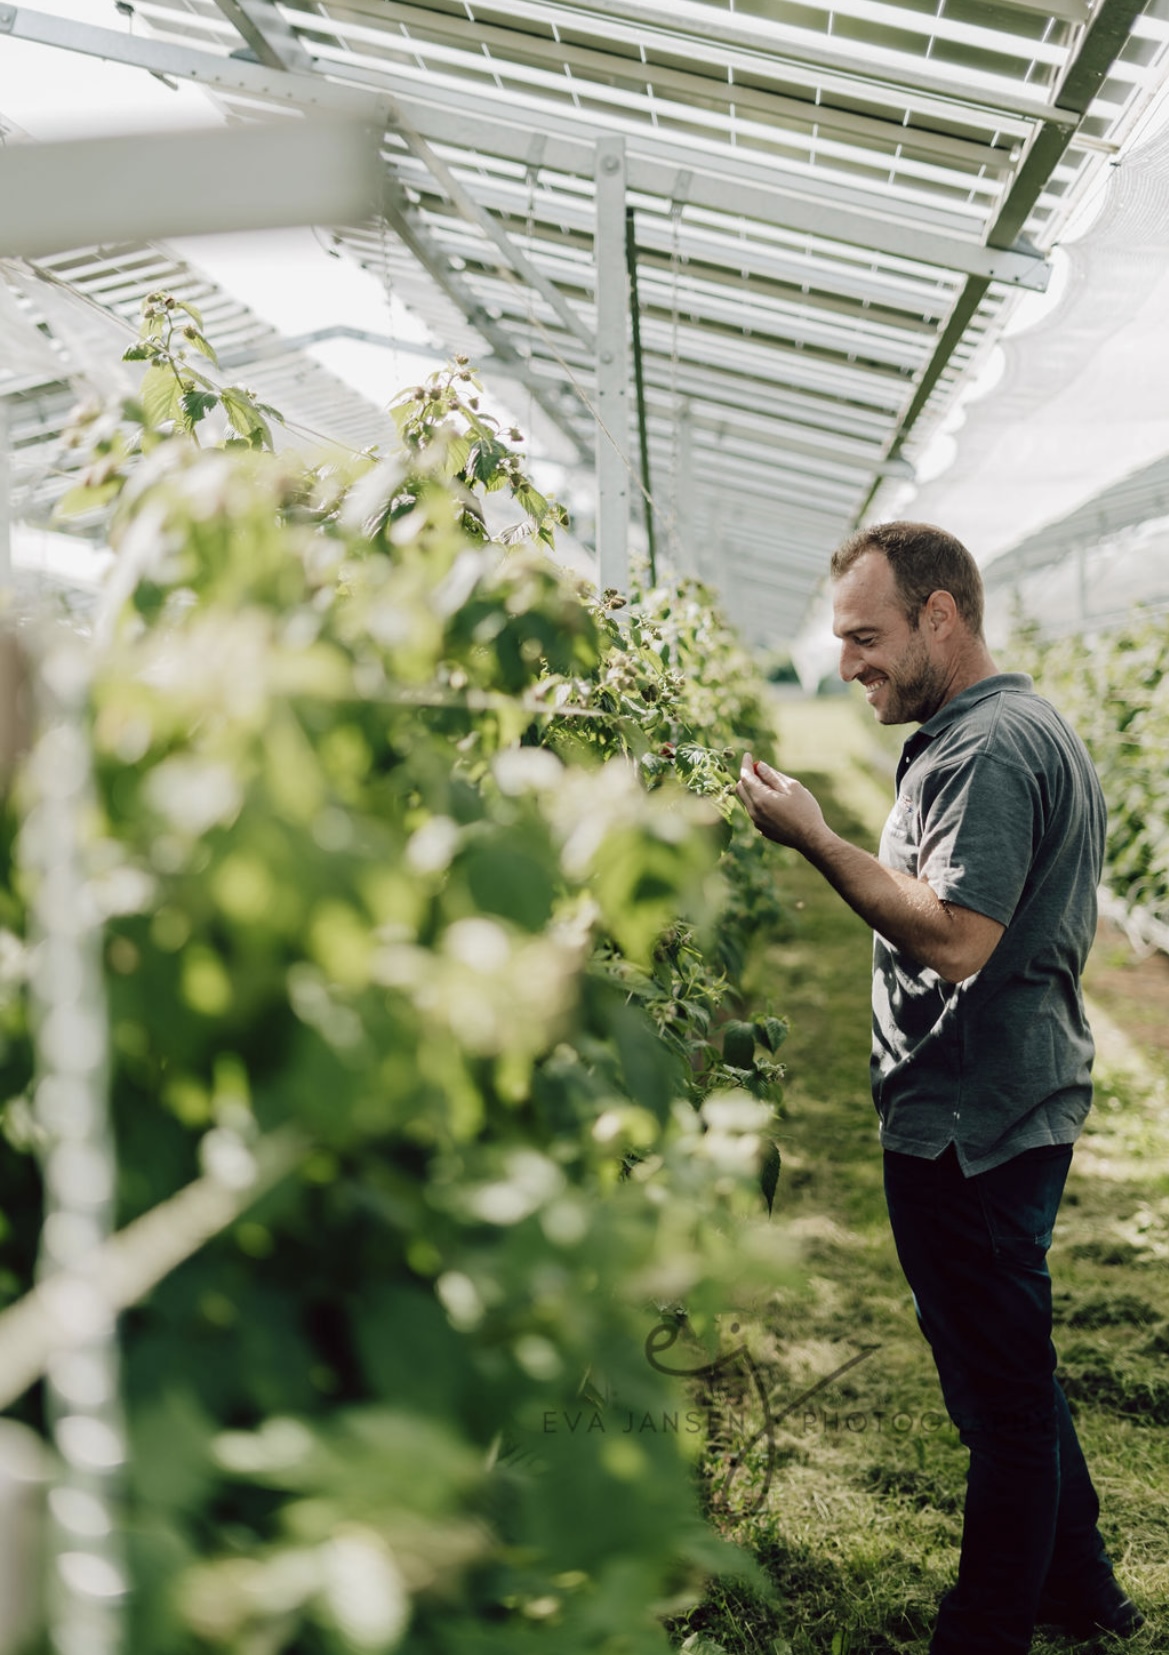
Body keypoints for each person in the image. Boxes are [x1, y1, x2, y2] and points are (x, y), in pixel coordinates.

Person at [736, 522, 1144, 1655]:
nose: (846, 663)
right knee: (1009, 1368)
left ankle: (983, 1630)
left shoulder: (987, 750)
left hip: (975, 1122)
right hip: (992, 1105)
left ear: (939, 616)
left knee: (996, 1401)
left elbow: (958, 938)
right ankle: (1081, 1590)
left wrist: (815, 838)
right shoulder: (998, 726)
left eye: (865, 638)